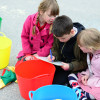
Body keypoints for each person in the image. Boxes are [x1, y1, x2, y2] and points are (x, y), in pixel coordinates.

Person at [48, 15, 87, 85]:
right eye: (57, 38)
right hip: (61, 63)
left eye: (63, 38)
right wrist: (54, 56)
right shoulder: (59, 32)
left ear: (72, 32)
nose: (60, 40)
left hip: (74, 67)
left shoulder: (81, 41)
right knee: (46, 75)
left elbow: (84, 63)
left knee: (56, 83)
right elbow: (55, 48)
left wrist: (70, 66)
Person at [68, 28, 100, 100]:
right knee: (72, 75)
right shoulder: (91, 53)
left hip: (97, 82)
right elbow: (92, 67)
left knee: (93, 95)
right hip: (93, 76)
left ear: (90, 48)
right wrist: (87, 74)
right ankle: (81, 94)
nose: (79, 47)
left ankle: (81, 95)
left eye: (80, 45)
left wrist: (91, 82)